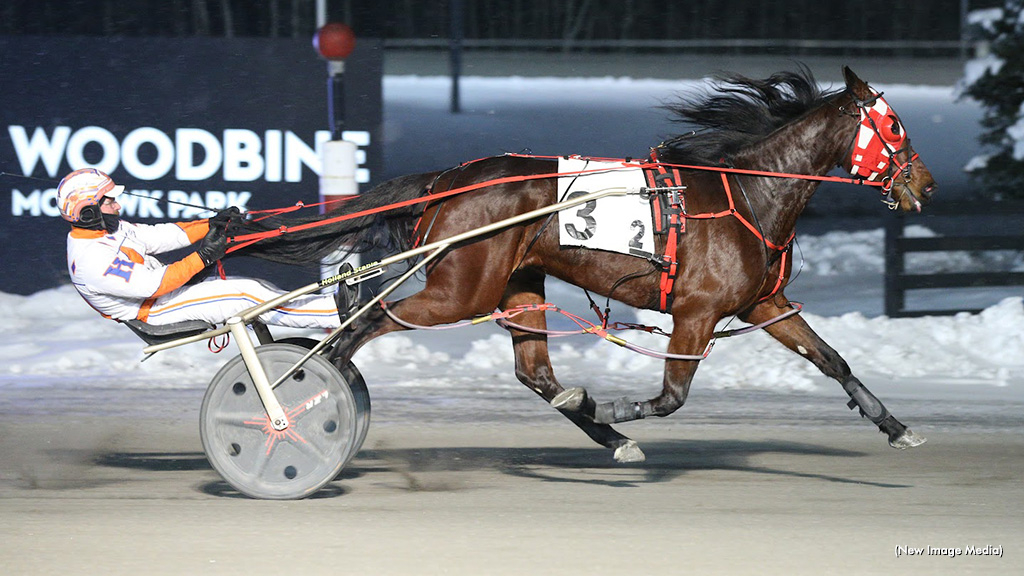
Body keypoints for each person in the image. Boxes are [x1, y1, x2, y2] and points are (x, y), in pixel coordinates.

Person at [58, 168, 353, 330]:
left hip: (167, 297)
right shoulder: (90, 259)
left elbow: (163, 235)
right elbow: (154, 285)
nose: (118, 206)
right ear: (87, 212)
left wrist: (212, 223)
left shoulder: (108, 229)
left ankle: (324, 307)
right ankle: (331, 313)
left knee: (254, 286)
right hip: (156, 311)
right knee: (246, 294)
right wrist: (203, 256)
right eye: (109, 201)